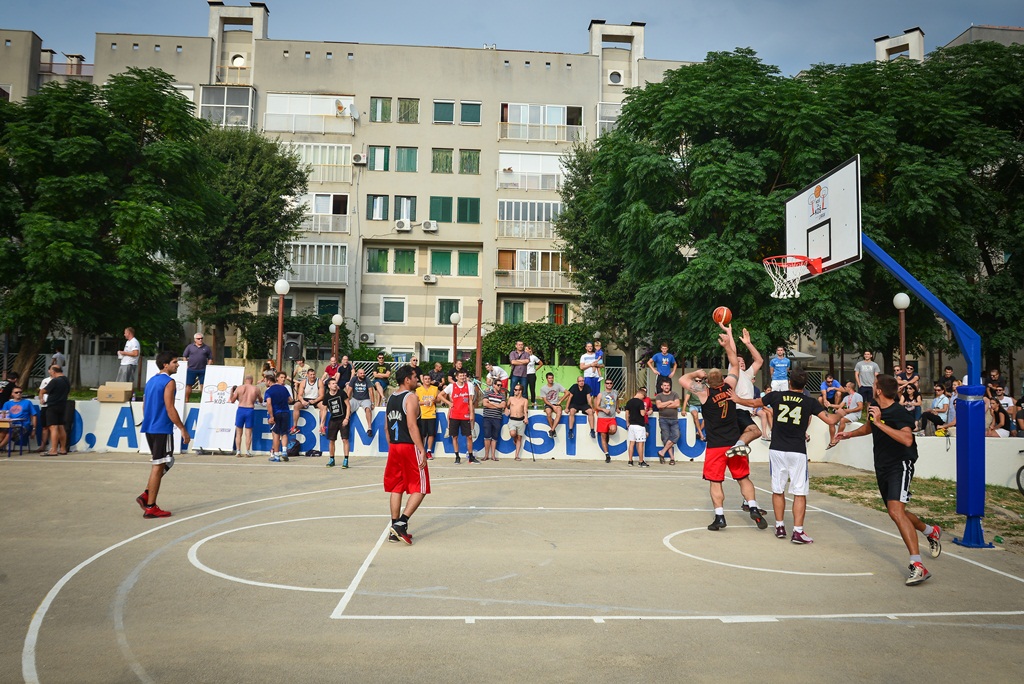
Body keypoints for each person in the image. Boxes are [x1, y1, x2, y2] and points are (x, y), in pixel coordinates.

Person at [835, 375, 942, 585]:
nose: (872, 387)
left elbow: (907, 439)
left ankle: (918, 565)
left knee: (895, 511)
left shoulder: (899, 412)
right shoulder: (875, 407)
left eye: (875, 385)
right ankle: (931, 531)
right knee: (897, 512)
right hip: (882, 466)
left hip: (900, 464)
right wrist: (849, 435)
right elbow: (870, 428)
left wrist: (878, 422)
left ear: (879, 390)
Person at [734, 368, 841, 543]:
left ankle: (779, 526)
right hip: (797, 450)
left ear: (789, 382)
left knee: (778, 489)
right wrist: (842, 412)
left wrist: (737, 399)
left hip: (777, 449)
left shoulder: (776, 396)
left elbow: (754, 403)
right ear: (805, 384)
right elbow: (831, 420)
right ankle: (798, 532)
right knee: (799, 492)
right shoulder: (810, 401)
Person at [679, 326, 767, 531]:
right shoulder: (729, 387)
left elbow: (683, 380)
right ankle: (753, 506)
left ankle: (720, 517)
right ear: (723, 378)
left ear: (707, 382)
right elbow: (735, 364)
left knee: (715, 481)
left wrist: (696, 373)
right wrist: (727, 345)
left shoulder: (705, 393)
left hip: (716, 445)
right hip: (734, 442)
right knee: (743, 478)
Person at [136, 351, 190, 518]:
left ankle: (147, 494)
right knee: (159, 465)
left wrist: (150, 420)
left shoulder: (151, 381)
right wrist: (182, 428)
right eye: (174, 362)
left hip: (150, 428)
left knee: (166, 461)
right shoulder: (169, 382)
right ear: (165, 365)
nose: (178, 364)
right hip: (161, 428)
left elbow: (144, 405)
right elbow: (170, 408)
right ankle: (150, 506)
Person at [384, 365, 429, 545]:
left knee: (397, 487)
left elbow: (386, 427)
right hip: (409, 446)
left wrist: (392, 446)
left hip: (395, 446)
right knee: (421, 487)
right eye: (415, 377)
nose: (417, 379)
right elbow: (411, 425)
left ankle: (394, 528)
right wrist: (421, 449)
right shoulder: (411, 397)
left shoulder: (391, 398)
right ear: (407, 379)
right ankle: (401, 523)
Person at [727, 327, 766, 454]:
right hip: (738, 410)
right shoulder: (735, 372)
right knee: (756, 432)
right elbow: (732, 352)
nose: (741, 362)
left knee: (743, 447)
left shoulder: (747, 375)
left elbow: (759, 361)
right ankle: (735, 447)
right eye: (738, 361)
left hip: (745, 412)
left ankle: (736, 450)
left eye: (743, 360)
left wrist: (748, 343)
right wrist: (729, 333)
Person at [437, 368, 479, 464]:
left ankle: (471, 456)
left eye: (464, 375)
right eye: (461, 376)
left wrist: (471, 413)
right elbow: (440, 395)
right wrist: (449, 403)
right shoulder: (452, 386)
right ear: (456, 377)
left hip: (465, 414)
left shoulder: (469, 385)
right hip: (454, 415)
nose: (463, 377)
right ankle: (457, 456)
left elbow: (470, 401)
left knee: (469, 436)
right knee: (455, 436)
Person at [320, 376, 350, 468]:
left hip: (343, 419)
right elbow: (324, 410)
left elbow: (348, 406)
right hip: (333, 420)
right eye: (333, 384)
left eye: (335, 383)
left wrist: (346, 418)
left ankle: (346, 460)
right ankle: (331, 459)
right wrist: (322, 423)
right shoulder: (327, 396)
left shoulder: (342, 393)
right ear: (329, 386)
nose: (335, 385)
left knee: (345, 439)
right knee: (331, 440)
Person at [40, 365, 70, 456]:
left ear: (53, 371)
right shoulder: (66, 380)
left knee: (53, 427)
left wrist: (41, 398)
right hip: (62, 405)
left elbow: (43, 391)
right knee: (61, 427)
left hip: (53, 406)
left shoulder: (55, 381)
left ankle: (53, 449)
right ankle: (63, 448)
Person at [229, 375, 261, 457]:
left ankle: (238, 451)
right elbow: (261, 400)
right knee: (248, 433)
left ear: (245, 380)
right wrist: (256, 397)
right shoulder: (256, 389)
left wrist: (231, 392)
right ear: (252, 380)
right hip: (250, 409)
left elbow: (232, 400)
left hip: (241, 409)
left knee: (239, 433)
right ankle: (247, 451)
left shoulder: (239, 388)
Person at [265, 371, 293, 462]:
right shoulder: (284, 388)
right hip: (285, 412)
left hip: (276, 413)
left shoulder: (269, 391)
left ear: (269, 381)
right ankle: (284, 451)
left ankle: (276, 455)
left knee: (276, 434)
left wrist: (271, 416)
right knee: (284, 433)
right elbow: (290, 400)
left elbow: (269, 403)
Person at [828, 381, 864, 447]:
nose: (844, 388)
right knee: (835, 416)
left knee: (843, 420)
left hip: (855, 414)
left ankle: (837, 437)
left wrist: (850, 410)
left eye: (846, 386)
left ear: (849, 388)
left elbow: (860, 407)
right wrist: (830, 405)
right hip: (848, 414)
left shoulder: (857, 396)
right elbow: (840, 406)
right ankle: (832, 438)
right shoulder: (846, 397)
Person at [0, 386, 36, 452]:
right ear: (12, 394)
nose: (19, 393)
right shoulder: (7, 403)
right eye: (16, 392)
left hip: (23, 425)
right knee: (2, 433)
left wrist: (34, 429)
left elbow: (34, 415)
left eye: (20, 392)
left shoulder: (27, 402)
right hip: (9, 424)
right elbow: (3, 415)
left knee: (9, 433)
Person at [654, 379, 680, 465]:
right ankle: (672, 458)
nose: (666, 387)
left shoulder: (674, 394)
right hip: (663, 419)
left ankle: (662, 452)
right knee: (666, 438)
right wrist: (669, 402)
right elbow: (659, 406)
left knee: (676, 435)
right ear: (662, 387)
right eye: (665, 385)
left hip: (674, 419)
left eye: (668, 385)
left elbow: (677, 404)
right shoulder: (659, 396)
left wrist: (664, 405)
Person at [480, 376, 506, 461]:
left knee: (495, 437)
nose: (499, 386)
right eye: (498, 385)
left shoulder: (502, 395)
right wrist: (497, 406)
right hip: (487, 417)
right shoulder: (487, 393)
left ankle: (493, 455)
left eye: (500, 385)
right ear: (494, 385)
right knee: (487, 436)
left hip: (497, 418)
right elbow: (485, 404)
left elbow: (502, 405)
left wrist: (491, 403)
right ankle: (486, 455)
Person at [348, 367, 377, 439]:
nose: (363, 374)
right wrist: (347, 401)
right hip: (355, 399)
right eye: (361, 373)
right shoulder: (354, 379)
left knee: (368, 409)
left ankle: (369, 428)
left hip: (365, 399)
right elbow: (349, 390)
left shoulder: (367, 379)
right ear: (357, 374)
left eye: (364, 373)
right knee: (348, 408)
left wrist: (372, 403)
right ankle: (346, 425)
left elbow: (371, 391)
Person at [562, 375, 594, 441]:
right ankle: (570, 430)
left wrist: (592, 407)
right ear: (577, 382)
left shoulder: (587, 387)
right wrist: (567, 407)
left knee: (590, 411)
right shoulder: (574, 387)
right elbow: (569, 397)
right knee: (572, 411)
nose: (581, 382)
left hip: (583, 404)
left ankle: (592, 430)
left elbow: (589, 398)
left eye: (582, 381)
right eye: (580, 381)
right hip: (574, 404)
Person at [415, 373, 440, 460]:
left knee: (431, 434)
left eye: (429, 379)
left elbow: (439, 400)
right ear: (423, 380)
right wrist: (424, 402)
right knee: (422, 434)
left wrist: (435, 400)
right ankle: (421, 450)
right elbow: (416, 402)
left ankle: (429, 451)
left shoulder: (435, 389)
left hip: (431, 414)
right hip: (422, 414)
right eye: (425, 379)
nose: (427, 380)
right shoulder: (418, 390)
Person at [182, 333, 212, 403]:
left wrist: (208, 366)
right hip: (191, 369)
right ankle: (187, 400)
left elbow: (210, 358)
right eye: (198, 339)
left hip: (203, 369)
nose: (200, 340)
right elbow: (184, 356)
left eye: (201, 338)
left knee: (203, 385)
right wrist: (186, 365)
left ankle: (203, 401)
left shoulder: (206, 348)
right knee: (189, 385)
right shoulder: (190, 347)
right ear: (195, 339)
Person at [595, 377, 620, 462]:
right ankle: (607, 455)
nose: (609, 385)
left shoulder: (615, 392)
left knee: (613, 430)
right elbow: (596, 406)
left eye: (610, 383)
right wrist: (603, 409)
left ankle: (608, 433)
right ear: (605, 384)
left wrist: (617, 408)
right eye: (607, 383)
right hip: (602, 417)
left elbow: (617, 400)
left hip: (611, 417)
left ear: (612, 384)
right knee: (603, 436)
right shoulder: (601, 394)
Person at [292, 367, 323, 434]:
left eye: (313, 374)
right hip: (306, 398)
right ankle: (295, 426)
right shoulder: (303, 382)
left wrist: (315, 401)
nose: (312, 376)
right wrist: (303, 401)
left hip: (316, 399)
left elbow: (321, 395)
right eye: (311, 375)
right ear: (307, 375)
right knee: (296, 406)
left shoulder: (319, 381)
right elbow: (299, 395)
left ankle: (322, 426)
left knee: (323, 406)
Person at [623, 388, 649, 467]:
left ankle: (630, 460)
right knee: (640, 443)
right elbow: (642, 413)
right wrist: (645, 411)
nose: (643, 398)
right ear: (641, 394)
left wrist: (627, 422)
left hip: (631, 425)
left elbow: (627, 413)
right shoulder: (640, 402)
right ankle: (641, 461)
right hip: (639, 425)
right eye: (643, 396)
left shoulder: (629, 402)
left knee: (631, 443)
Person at [506, 384, 529, 461]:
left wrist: (526, 418)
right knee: (513, 433)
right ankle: (514, 439)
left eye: (516, 390)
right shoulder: (511, 398)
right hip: (512, 420)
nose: (514, 391)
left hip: (521, 420)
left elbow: (525, 410)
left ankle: (516, 455)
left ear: (520, 391)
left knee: (519, 438)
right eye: (514, 389)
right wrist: (506, 409)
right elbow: (506, 406)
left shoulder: (525, 400)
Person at [579, 342, 602, 414]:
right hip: (588, 376)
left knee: (596, 394)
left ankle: (596, 409)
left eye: (591, 346)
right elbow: (581, 367)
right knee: (589, 394)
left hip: (597, 377)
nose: (590, 347)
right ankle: (590, 408)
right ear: (586, 348)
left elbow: (602, 365)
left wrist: (597, 365)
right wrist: (591, 365)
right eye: (588, 346)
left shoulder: (596, 355)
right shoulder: (583, 356)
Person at [541, 372, 565, 438]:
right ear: (547, 379)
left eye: (552, 378)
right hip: (548, 404)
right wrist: (552, 406)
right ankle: (553, 430)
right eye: (549, 378)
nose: (551, 379)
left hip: (556, 403)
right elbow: (545, 400)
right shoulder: (543, 388)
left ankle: (552, 430)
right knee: (548, 413)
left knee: (559, 413)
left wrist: (560, 401)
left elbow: (567, 392)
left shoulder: (557, 385)